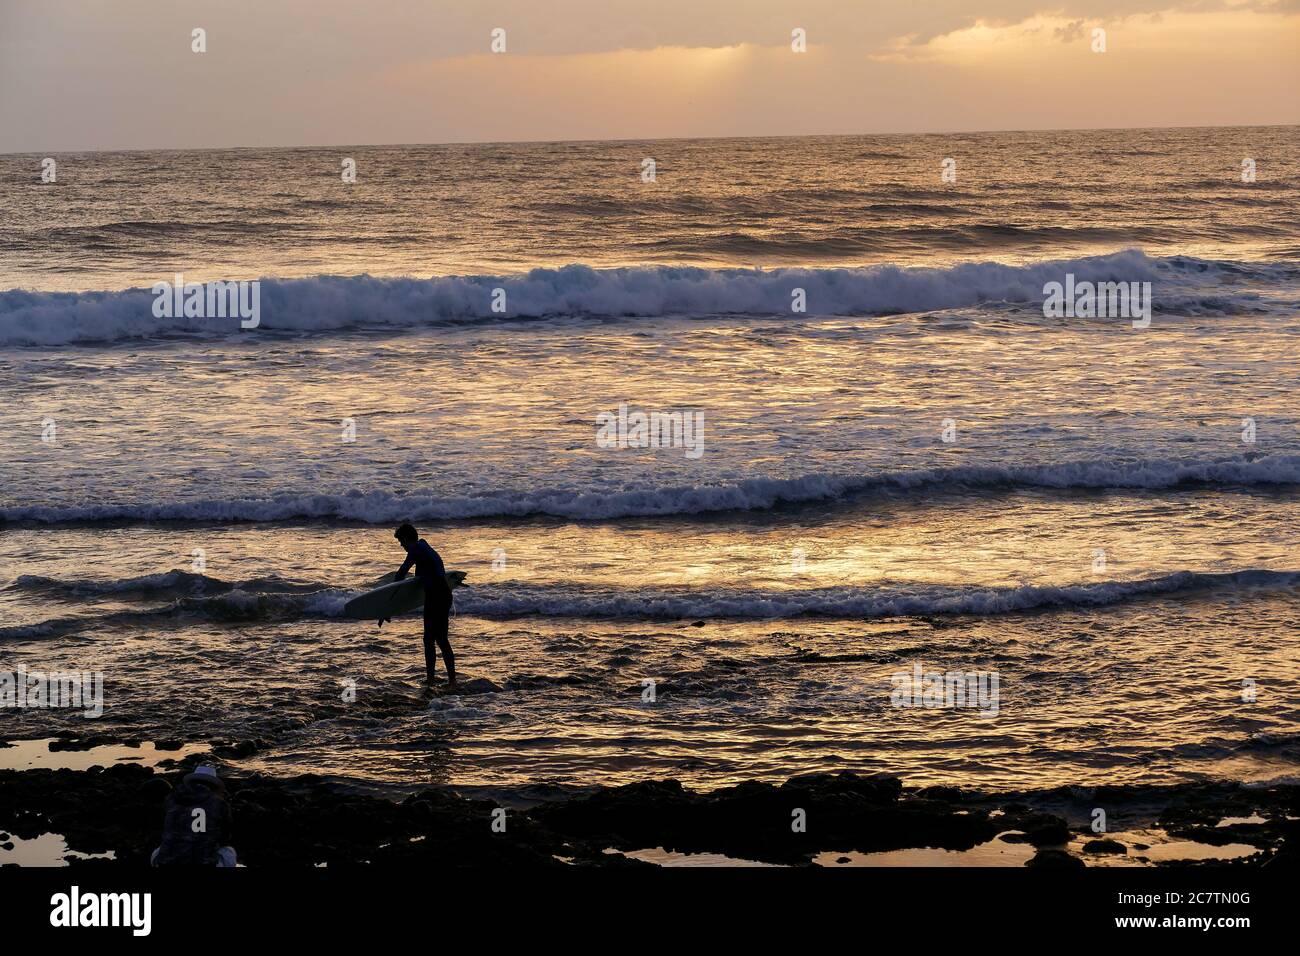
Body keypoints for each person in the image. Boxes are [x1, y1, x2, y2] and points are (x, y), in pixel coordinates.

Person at [394, 522, 456, 686]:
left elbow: (401, 573)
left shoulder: (416, 549)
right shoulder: (424, 547)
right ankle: (450, 680)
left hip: (436, 597)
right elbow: (428, 573)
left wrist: (389, 601)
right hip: (443, 594)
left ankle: (432, 680)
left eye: (402, 542)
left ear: (407, 538)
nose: (402, 546)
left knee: (431, 639)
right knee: (439, 638)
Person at [151, 764, 237, 867]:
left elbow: (164, 829)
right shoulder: (219, 803)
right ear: (214, 786)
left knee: (158, 851)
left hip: (168, 862)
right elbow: (225, 838)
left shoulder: (172, 798)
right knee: (229, 851)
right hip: (205, 862)